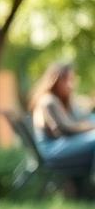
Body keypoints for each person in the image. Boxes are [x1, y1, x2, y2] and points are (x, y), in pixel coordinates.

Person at [29, 62, 95, 190]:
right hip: (53, 151)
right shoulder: (48, 101)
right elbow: (65, 129)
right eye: (67, 80)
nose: (71, 85)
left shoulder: (56, 100)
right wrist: (91, 127)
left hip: (59, 147)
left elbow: (79, 118)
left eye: (72, 80)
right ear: (55, 80)